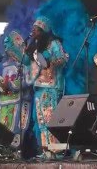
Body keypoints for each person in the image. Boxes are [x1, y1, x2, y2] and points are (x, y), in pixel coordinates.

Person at [24, 16, 68, 157]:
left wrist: (50, 60)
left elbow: (64, 59)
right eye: (33, 29)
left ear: (43, 31)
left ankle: (57, 150)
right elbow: (30, 65)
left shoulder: (53, 43)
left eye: (36, 29)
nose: (33, 31)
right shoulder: (35, 46)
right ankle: (46, 150)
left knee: (51, 118)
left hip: (51, 86)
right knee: (41, 120)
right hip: (39, 86)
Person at [0, 31, 32, 150]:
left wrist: (9, 84)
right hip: (4, 102)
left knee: (16, 129)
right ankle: (4, 150)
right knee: (3, 128)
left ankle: (15, 152)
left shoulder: (25, 63)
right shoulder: (4, 64)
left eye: (8, 46)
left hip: (20, 102)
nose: (6, 49)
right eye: (5, 47)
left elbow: (28, 80)